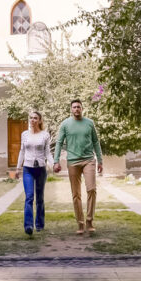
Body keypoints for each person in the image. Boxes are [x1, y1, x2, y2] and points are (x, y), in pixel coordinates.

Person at [53, 99, 103, 234]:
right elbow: (59, 142)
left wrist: (100, 160)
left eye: (78, 107)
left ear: (82, 108)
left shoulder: (89, 123)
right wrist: (56, 161)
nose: (76, 109)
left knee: (91, 189)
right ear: (71, 109)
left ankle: (89, 221)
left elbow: (96, 142)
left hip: (88, 160)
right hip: (73, 162)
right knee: (76, 194)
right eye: (74, 107)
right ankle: (80, 223)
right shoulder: (65, 124)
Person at [17, 111, 53, 235]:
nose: (32, 120)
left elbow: (48, 152)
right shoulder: (24, 134)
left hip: (41, 169)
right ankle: (28, 226)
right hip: (27, 168)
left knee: (40, 198)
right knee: (29, 197)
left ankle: (39, 224)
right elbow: (22, 151)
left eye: (35, 118)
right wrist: (18, 168)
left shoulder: (45, 135)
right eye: (31, 118)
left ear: (40, 120)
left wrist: (53, 164)